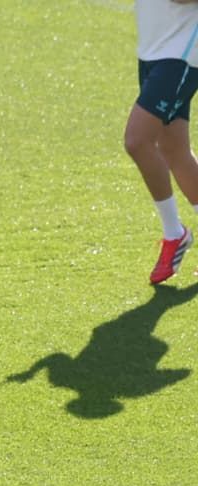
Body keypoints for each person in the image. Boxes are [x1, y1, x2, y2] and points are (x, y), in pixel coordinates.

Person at [128, 1, 198, 284]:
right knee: (174, 148)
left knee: (137, 140)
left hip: (181, 53)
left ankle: (174, 233)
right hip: (154, 47)